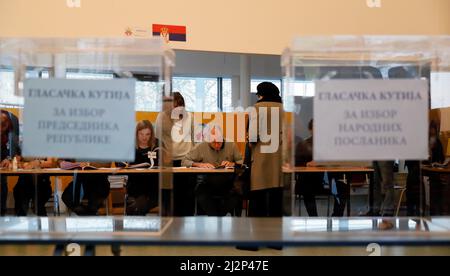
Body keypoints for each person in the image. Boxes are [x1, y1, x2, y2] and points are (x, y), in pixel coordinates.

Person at [182, 126, 243, 216]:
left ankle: (219, 216)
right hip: (207, 183)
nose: (217, 145)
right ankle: (215, 216)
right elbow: (184, 161)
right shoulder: (201, 146)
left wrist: (232, 164)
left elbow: (242, 163)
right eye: (214, 143)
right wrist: (199, 164)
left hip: (227, 183)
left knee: (237, 194)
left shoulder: (231, 145)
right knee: (201, 194)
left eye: (219, 142)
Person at [295, 119, 347, 217]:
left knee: (342, 187)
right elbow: (297, 165)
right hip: (311, 180)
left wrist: (323, 163)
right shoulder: (303, 145)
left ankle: (336, 216)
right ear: (311, 130)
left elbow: (338, 161)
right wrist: (307, 164)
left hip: (329, 180)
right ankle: (314, 218)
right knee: (305, 185)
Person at [155, 92, 195, 216]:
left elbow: (195, 138)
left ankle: (188, 222)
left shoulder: (190, 117)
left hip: (186, 160)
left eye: (178, 107)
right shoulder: (161, 117)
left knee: (187, 195)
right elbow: (157, 140)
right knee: (171, 195)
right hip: (169, 161)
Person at [248, 82, 284, 217]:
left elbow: (252, 136)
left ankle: (259, 232)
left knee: (259, 197)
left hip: (261, 159)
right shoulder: (283, 109)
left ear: (261, 94)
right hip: (278, 159)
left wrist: (251, 144)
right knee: (276, 196)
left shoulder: (257, 108)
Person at [125, 120, 159, 216]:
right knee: (135, 207)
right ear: (136, 134)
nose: (144, 137)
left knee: (136, 208)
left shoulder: (157, 144)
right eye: (141, 134)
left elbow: (167, 161)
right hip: (135, 188)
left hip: (154, 189)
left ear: (151, 134)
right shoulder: (130, 146)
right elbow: (120, 163)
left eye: (147, 134)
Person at [1, 110, 21, 216]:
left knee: (2, 183)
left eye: (3, 127)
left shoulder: (13, 120)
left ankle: (2, 212)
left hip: (4, 163)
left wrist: (10, 158)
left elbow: (16, 150)